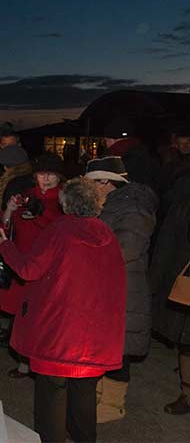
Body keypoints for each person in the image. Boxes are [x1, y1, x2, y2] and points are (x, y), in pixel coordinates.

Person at [0, 177, 126, 443]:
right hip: (93, 337)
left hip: (58, 333)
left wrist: (5, 245)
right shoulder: (107, 235)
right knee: (84, 397)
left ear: (66, 204)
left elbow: (29, 269)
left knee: (51, 399)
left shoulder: (60, 230)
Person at [85, 156, 158, 422]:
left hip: (126, 287)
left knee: (120, 346)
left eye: (91, 183)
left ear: (105, 181)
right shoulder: (112, 204)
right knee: (107, 344)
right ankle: (100, 393)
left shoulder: (135, 207)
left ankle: (114, 405)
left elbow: (127, 248)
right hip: (109, 285)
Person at [0, 153, 65, 380]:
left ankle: (42, 366)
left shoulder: (64, 200)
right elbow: (2, 227)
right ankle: (25, 364)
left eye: (50, 174)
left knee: (42, 320)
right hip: (21, 263)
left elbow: (59, 230)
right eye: (41, 174)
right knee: (22, 318)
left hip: (47, 269)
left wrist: (39, 214)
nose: (45, 179)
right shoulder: (25, 195)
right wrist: (9, 209)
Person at [150, 171, 190, 415]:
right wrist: (153, 284)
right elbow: (165, 247)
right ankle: (187, 394)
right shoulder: (183, 205)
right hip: (186, 283)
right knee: (187, 344)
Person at [103, 117, 157, 189]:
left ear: (110, 140)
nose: (106, 145)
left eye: (105, 141)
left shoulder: (116, 158)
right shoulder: (143, 152)